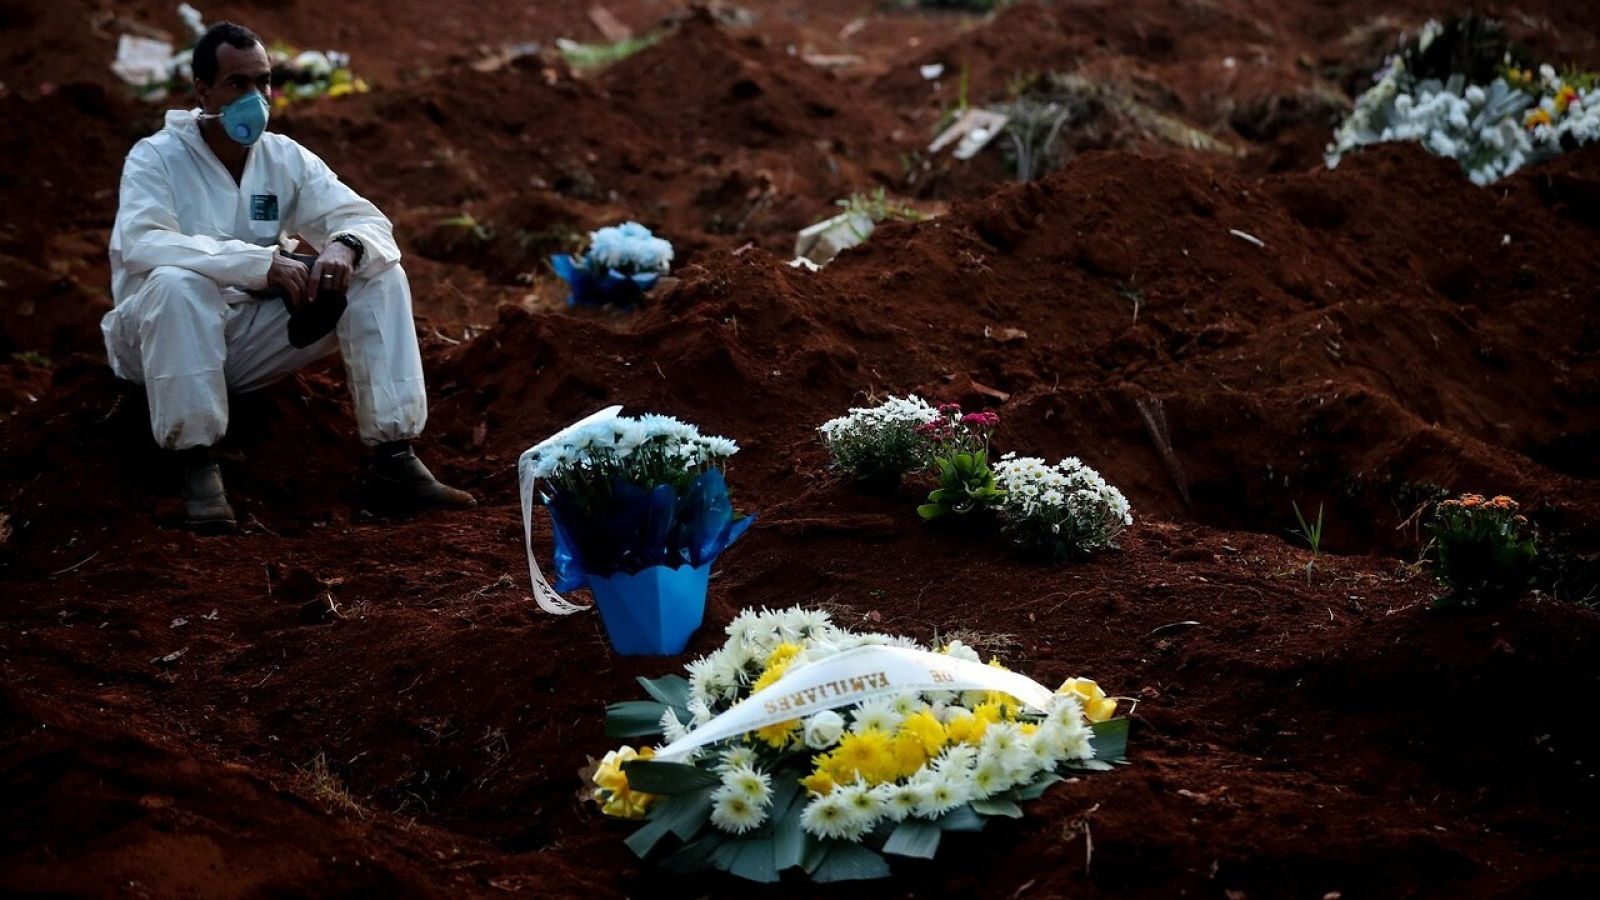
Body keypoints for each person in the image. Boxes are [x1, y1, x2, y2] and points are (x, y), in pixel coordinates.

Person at [102, 22, 475, 532]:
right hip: (158, 344)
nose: (254, 98)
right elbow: (145, 242)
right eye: (237, 83)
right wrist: (259, 265)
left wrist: (344, 247)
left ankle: (394, 457)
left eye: (263, 82)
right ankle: (194, 464)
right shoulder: (156, 158)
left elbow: (368, 222)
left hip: (240, 346)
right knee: (176, 282)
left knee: (377, 272)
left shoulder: (284, 158)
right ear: (202, 90)